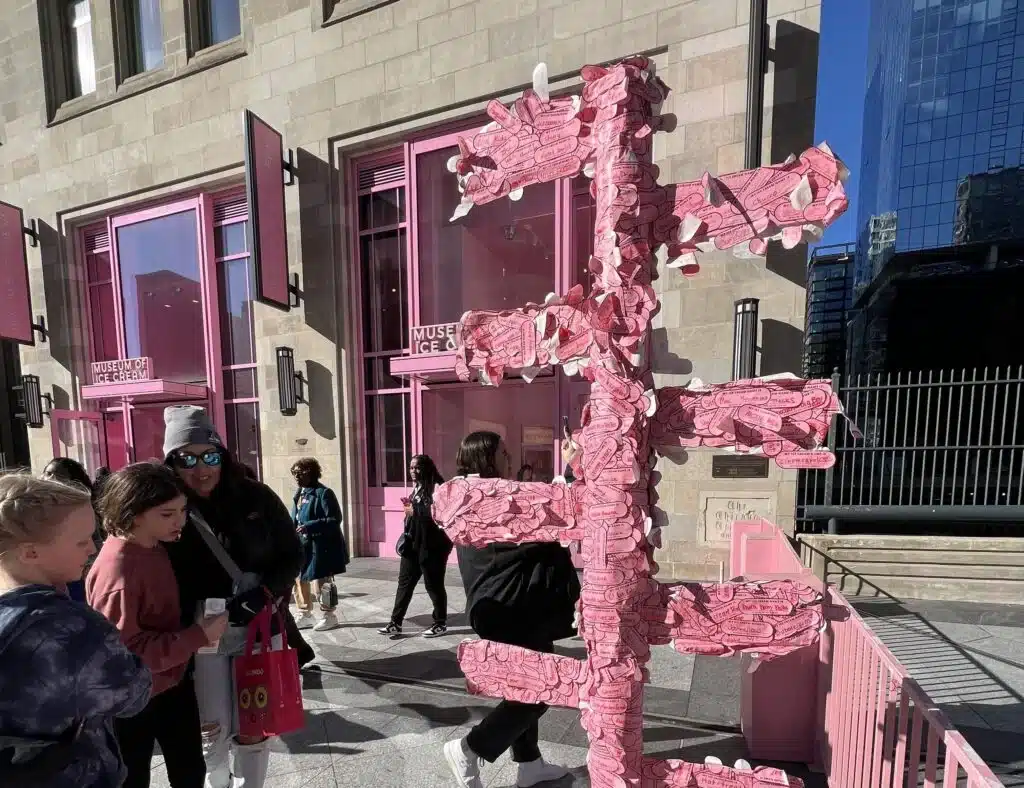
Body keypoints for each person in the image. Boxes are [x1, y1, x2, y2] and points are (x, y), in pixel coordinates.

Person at [159, 406, 302, 788]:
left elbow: (292, 553)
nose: (201, 468)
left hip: (258, 625)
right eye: (186, 458)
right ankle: (218, 782)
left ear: (223, 455)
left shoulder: (255, 497)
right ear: (171, 461)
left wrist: (267, 592)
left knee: (255, 723)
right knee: (211, 727)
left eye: (210, 456)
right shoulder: (168, 508)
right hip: (203, 631)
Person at [443, 432, 579, 788]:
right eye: (503, 451)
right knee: (542, 687)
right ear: (488, 456)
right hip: (511, 605)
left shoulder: (467, 495)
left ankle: (529, 763)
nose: (508, 456)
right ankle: (470, 748)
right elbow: (544, 519)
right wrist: (574, 470)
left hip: (500, 605)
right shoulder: (486, 498)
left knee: (523, 684)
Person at [0, 473, 152, 787]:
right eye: (81, 540)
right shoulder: (74, 629)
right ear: (31, 553)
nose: (92, 548)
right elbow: (134, 693)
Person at [87, 463, 229, 788]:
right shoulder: (119, 570)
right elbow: (126, 652)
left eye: (182, 510)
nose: (179, 520)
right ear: (134, 513)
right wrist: (198, 636)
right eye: (167, 514)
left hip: (167, 684)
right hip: (131, 699)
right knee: (133, 778)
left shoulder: (152, 546)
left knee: (190, 769)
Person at [378, 454, 451, 639]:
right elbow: (416, 514)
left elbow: (442, 515)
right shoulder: (417, 488)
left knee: (433, 586)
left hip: (432, 546)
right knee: (404, 584)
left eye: (417, 468)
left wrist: (416, 510)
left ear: (427, 468)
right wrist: (409, 510)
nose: (413, 471)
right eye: (411, 468)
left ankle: (440, 623)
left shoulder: (438, 487)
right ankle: (395, 623)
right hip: (412, 544)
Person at [290, 458, 349, 633]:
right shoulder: (300, 493)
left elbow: (334, 519)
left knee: (321, 582)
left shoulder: (324, 493)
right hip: (303, 544)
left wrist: (310, 525)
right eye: (294, 473)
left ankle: (329, 616)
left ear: (311, 472)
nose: (297, 476)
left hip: (321, 546)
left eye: (300, 473)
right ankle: (305, 613)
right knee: (299, 578)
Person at [41, 458, 104, 603]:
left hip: (79, 574)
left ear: (71, 480)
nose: (48, 478)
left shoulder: (83, 509)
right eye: (47, 473)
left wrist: (88, 567)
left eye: (54, 474)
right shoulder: (42, 509)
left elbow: (96, 542)